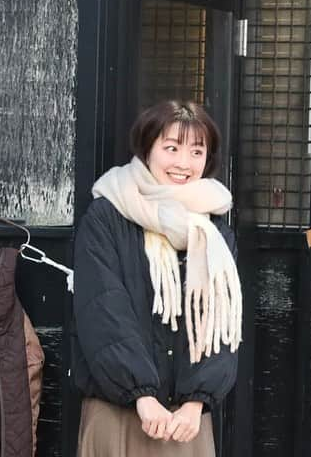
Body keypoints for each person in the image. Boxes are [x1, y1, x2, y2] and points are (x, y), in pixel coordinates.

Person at [71, 100, 242, 456]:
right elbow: (103, 308)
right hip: (120, 412)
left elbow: (221, 324)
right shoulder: (107, 216)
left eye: (197, 151)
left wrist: (198, 401)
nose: (183, 163)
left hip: (185, 422)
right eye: (171, 148)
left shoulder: (213, 230)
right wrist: (141, 394)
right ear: (147, 148)